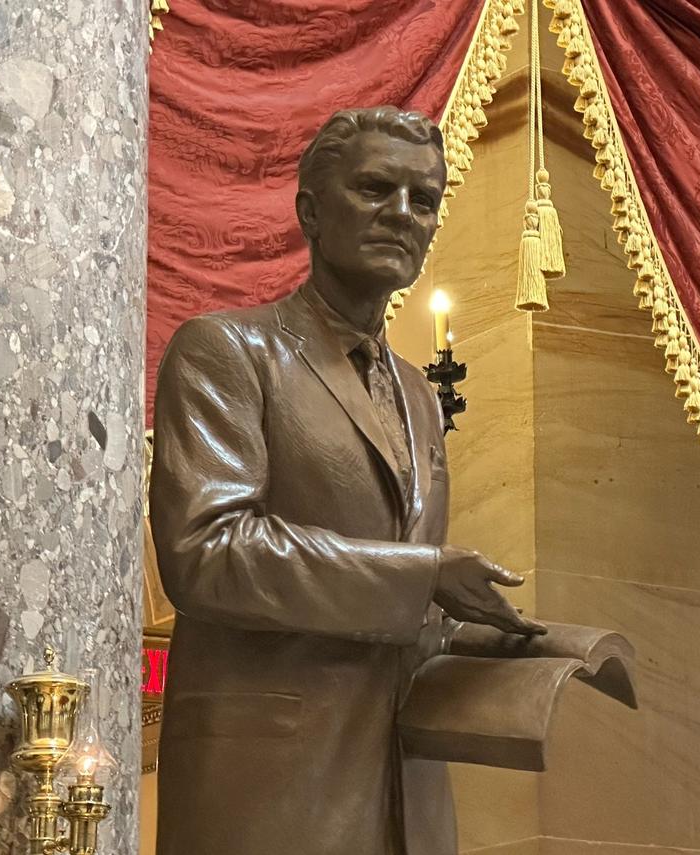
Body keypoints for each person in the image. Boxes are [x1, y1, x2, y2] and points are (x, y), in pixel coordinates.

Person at [149, 106, 545, 855]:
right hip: (268, 787)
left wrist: (484, 635)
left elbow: (397, 598)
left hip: (406, 794)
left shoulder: (421, 397)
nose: (403, 213)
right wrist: (423, 575)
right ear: (311, 210)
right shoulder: (227, 352)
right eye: (374, 188)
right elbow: (206, 551)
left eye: (423, 200)